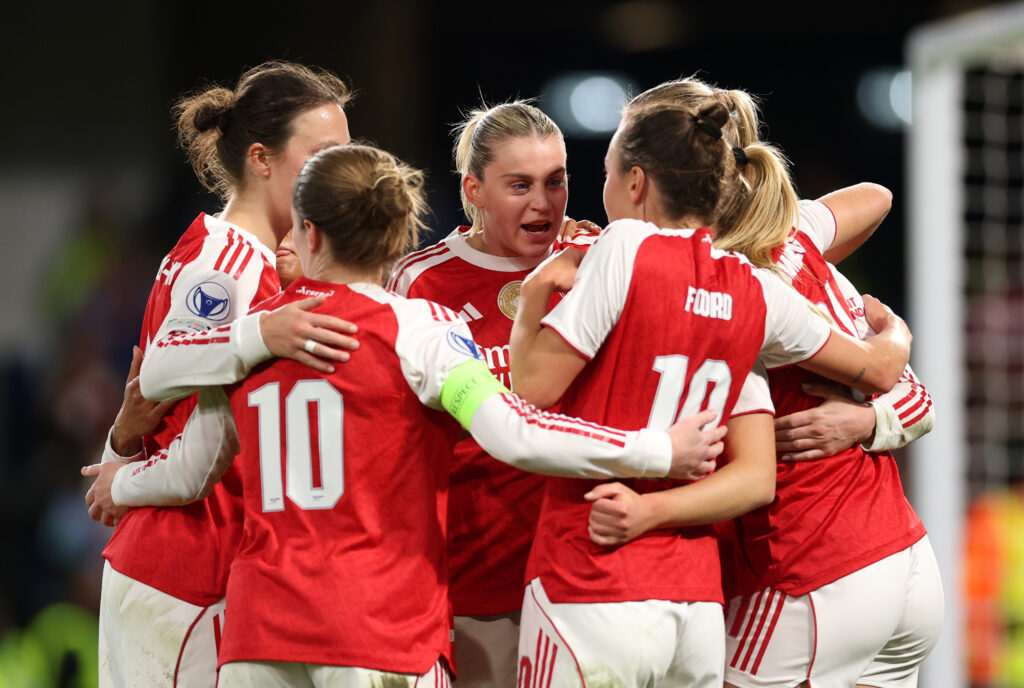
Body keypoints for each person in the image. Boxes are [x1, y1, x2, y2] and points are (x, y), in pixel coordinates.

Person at [83, 143, 731, 686]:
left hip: (261, 632)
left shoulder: (257, 334)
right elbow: (517, 432)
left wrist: (122, 482)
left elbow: (193, 465)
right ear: (399, 236)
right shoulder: (423, 330)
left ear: (308, 231)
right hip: (377, 629)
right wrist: (657, 451)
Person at [507, 98, 912, 687]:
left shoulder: (620, 247)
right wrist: (896, 334)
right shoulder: (753, 288)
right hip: (697, 604)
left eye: (606, 173)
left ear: (637, 181)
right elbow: (762, 471)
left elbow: (533, 390)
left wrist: (534, 297)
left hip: (593, 577)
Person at [95, 60, 358, 687]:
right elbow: (163, 384)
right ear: (262, 160)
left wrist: (120, 450)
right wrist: (119, 474)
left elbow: (147, 408)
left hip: (190, 565)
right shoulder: (228, 265)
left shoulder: (234, 251)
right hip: (184, 569)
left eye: (347, 156)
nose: (340, 176)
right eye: (322, 156)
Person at [386, 100, 603, 687]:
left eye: (556, 182)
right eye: (520, 185)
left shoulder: (598, 262)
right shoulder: (419, 281)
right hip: (473, 571)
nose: (544, 203)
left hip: (582, 568)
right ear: (474, 191)